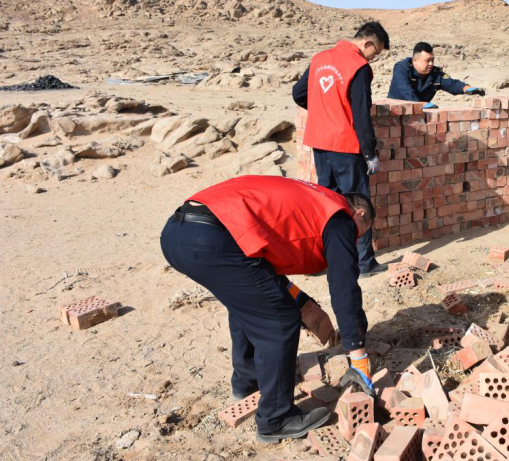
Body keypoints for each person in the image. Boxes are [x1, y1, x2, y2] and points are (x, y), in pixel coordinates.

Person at [160, 176, 377, 443]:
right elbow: (344, 286)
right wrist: (358, 356)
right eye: (361, 232)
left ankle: (248, 384)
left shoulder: (310, 201)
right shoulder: (340, 216)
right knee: (279, 320)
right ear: (359, 213)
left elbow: (264, 273)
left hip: (178, 233)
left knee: (250, 305)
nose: (353, 241)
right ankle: (276, 418)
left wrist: (303, 303)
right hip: (212, 238)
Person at [292, 21, 390, 277]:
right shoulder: (358, 66)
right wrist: (370, 153)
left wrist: (325, 109)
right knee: (358, 204)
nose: (374, 58)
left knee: (327, 203)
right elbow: (361, 114)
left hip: (320, 143)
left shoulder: (320, 58)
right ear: (367, 42)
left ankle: (323, 258)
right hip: (346, 146)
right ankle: (364, 263)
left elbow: (298, 93)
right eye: (376, 52)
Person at [388, 41, 485, 109]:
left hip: (420, 113)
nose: (431, 64)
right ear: (415, 61)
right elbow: (406, 91)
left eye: (432, 60)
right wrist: (419, 104)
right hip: (396, 112)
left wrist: (466, 88)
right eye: (427, 61)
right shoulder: (402, 68)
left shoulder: (434, 73)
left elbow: (451, 84)